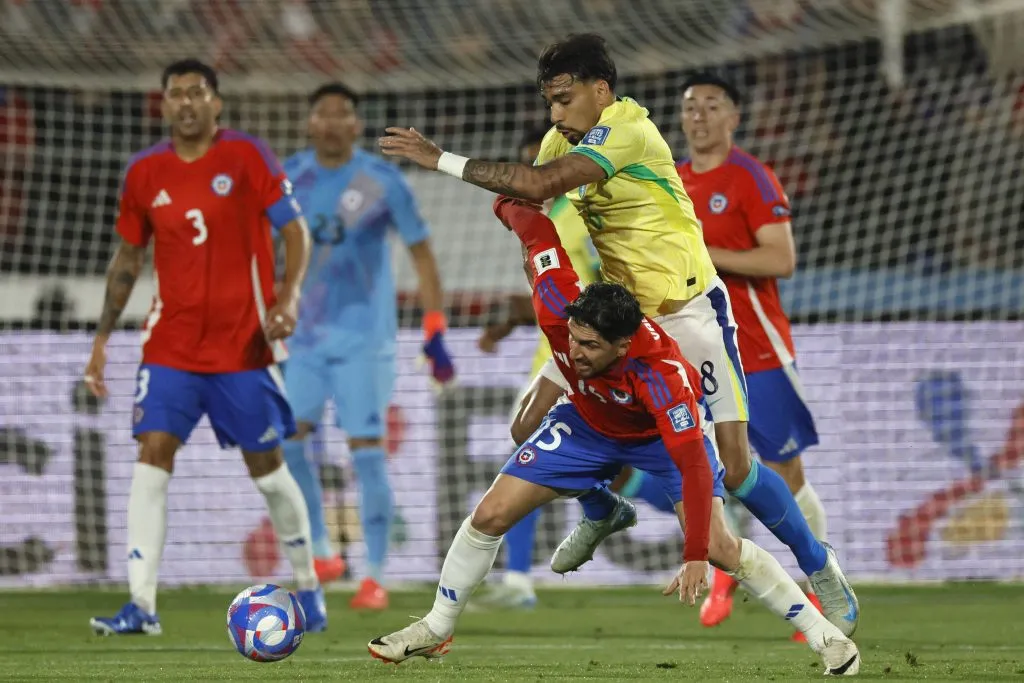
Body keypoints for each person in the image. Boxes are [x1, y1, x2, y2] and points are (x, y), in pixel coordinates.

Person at [377, 33, 858, 636]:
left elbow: (541, 185)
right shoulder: (561, 138)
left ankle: (820, 566)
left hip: (692, 314)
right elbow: (531, 196)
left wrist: (440, 159)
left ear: (601, 91)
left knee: (735, 469)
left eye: (563, 99)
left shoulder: (628, 129)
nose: (554, 115)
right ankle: (601, 506)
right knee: (527, 423)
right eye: (549, 102)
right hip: (624, 324)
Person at [366, 197, 861, 676]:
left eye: (590, 346)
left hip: (655, 440)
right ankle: (438, 625)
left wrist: (693, 555)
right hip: (585, 422)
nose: (575, 351)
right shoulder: (560, 307)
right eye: (573, 338)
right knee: (492, 506)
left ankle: (827, 638)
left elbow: (690, 462)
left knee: (720, 546)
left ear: (623, 345)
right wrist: (506, 203)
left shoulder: (662, 377)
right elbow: (536, 231)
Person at [83, 59, 326, 634]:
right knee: (152, 455)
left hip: (243, 348)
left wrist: (287, 299)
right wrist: (100, 339)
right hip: (169, 346)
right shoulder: (143, 172)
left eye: (197, 93)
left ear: (216, 103)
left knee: (267, 470)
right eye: (175, 94)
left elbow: (295, 230)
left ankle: (309, 585)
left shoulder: (246, 156)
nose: (186, 103)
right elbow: (127, 258)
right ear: (163, 104)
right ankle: (141, 605)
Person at [281, 82, 454, 610]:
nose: (332, 123)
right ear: (311, 123)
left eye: (343, 115)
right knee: (287, 444)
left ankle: (374, 576)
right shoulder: (288, 177)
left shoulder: (381, 181)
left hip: (365, 343)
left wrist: (434, 329)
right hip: (302, 339)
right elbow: (264, 248)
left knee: (367, 457)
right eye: (323, 114)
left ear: (356, 125)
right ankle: (322, 549)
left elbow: (422, 254)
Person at [675, 70, 827, 638]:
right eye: (691, 106)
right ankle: (726, 573)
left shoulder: (752, 178)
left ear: (733, 117)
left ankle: (820, 582)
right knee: (719, 467)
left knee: (785, 474)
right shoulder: (672, 179)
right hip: (697, 347)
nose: (699, 116)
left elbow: (779, 259)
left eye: (712, 106)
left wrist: (704, 255)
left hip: (758, 348)